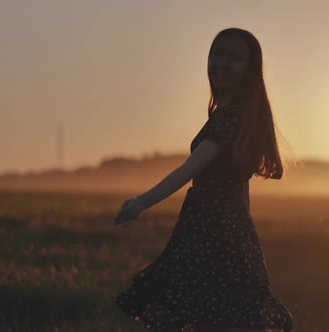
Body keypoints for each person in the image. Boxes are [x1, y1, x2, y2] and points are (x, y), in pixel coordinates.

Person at [112, 27, 294, 332]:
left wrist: (141, 202)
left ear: (250, 69)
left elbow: (188, 170)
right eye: (217, 54)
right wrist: (244, 233)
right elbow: (240, 187)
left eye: (235, 58)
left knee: (205, 315)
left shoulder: (228, 119)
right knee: (215, 316)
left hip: (212, 232)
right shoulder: (237, 116)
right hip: (224, 229)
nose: (222, 63)